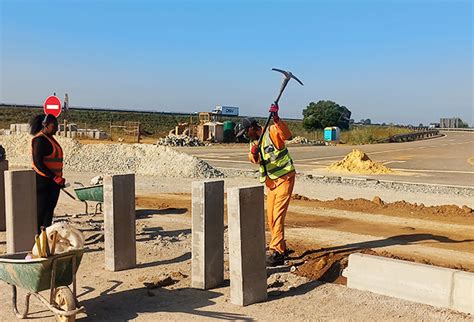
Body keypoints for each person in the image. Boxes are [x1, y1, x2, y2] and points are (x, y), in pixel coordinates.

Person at [235, 103, 295, 266]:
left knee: (277, 216)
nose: (245, 136)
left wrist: (277, 119)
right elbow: (254, 159)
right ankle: (280, 246)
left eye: (245, 132)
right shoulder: (254, 140)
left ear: (252, 128)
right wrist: (254, 154)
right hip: (271, 183)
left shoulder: (272, 132)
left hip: (284, 178)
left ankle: (278, 252)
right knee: (271, 218)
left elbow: (287, 135)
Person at [29, 114, 65, 233]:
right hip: (43, 182)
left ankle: (46, 238)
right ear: (45, 125)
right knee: (41, 212)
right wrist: (54, 177)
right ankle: (37, 239)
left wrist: (58, 179)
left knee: (49, 212)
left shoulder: (50, 139)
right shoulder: (39, 140)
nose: (57, 129)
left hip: (53, 183)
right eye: (54, 126)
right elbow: (38, 163)